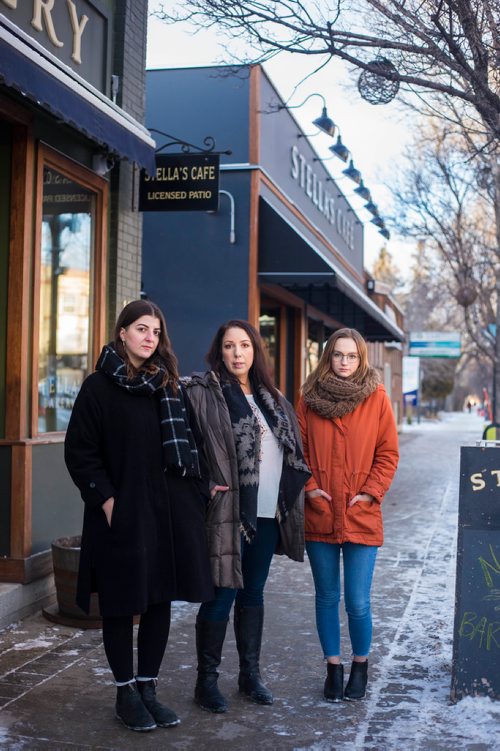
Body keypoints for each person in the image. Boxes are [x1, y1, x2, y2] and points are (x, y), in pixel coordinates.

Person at [64, 300, 213, 732]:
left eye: (156, 331)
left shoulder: (168, 385)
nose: (150, 338)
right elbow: (81, 453)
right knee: (120, 602)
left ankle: (148, 688)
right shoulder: (98, 387)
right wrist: (109, 504)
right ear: (122, 333)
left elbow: (191, 445)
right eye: (141, 329)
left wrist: (199, 490)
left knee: (157, 600)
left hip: (167, 512)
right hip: (122, 512)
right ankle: (124, 691)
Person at [184, 320, 310, 713]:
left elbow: (290, 451)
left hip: (269, 511)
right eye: (229, 346)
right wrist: (203, 485)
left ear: (255, 351)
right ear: (218, 352)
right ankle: (206, 682)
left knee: (253, 593)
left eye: (244, 345)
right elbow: (188, 446)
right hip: (229, 512)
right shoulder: (205, 394)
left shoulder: (271, 397)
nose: (237, 353)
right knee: (222, 594)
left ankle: (249, 675)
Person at [296, 328, 399, 703]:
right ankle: (332, 667)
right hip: (321, 510)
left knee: (357, 600)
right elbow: (297, 451)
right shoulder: (308, 398)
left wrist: (371, 492)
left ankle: (360, 665)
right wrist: (310, 489)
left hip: (361, 512)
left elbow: (388, 453)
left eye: (351, 356)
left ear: (361, 359)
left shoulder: (376, 397)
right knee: (326, 596)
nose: (343, 362)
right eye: (337, 355)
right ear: (328, 357)